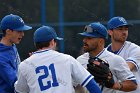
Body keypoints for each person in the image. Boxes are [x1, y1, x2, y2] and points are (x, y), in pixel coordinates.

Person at [14, 26, 102, 93]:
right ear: (52, 42)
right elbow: (90, 83)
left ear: (35, 44)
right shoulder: (67, 59)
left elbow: (20, 90)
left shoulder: (25, 65)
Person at [76, 22, 137, 93]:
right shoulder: (79, 60)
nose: (84, 40)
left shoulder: (115, 60)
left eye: (89, 38)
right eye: (84, 37)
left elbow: (133, 84)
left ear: (101, 41)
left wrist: (114, 85)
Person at [106, 16, 140, 93]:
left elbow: (125, 69)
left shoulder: (135, 49)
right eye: (120, 29)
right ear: (110, 32)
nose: (124, 32)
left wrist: (104, 72)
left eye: (126, 29)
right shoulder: (105, 52)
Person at [0, 14, 32, 93]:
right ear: (8, 31)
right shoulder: (1, 57)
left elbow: (18, 69)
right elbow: (16, 82)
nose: (22, 34)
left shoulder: (11, 44)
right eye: (19, 31)